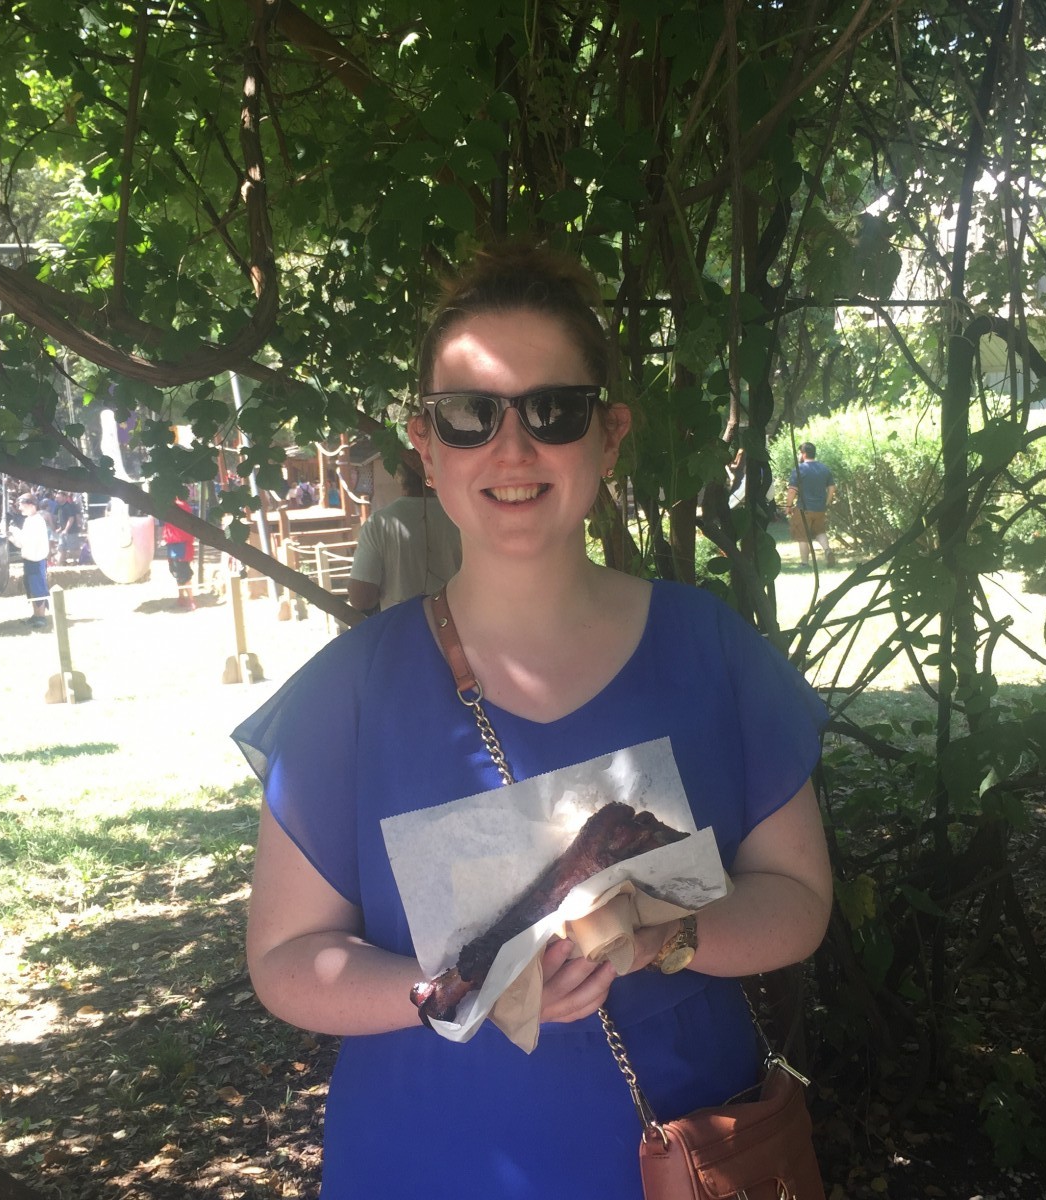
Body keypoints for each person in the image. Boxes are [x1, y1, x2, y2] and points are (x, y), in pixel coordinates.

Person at [234, 243, 831, 1198]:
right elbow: (285, 958)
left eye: (553, 412)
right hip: (425, 1161)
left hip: (678, 1162)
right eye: (470, 417)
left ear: (610, 432)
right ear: (426, 447)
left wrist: (658, 937)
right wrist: (461, 989)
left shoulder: (711, 653)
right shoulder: (348, 693)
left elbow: (797, 901)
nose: (512, 450)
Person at [346, 460, 462, 614]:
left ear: (399, 476)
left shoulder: (379, 523)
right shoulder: (460, 518)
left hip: (401, 628)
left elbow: (361, 598)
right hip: (456, 626)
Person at [784, 442, 837, 567]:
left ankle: (804, 563)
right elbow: (832, 488)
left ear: (804, 454)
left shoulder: (799, 469)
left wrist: (788, 506)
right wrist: (826, 503)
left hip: (804, 509)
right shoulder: (824, 468)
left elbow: (792, 490)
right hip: (820, 509)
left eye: (799, 453)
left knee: (802, 536)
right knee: (820, 532)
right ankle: (827, 551)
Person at [9, 493, 51, 628]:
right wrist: (12, 535)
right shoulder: (29, 520)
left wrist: (14, 531)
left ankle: (41, 617)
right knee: (31, 588)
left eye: (21, 504)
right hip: (29, 559)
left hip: (36, 559)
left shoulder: (37, 520)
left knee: (38, 588)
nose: (19, 508)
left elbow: (25, 541)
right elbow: (22, 543)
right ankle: (36, 615)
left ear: (31, 504)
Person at [162, 498, 197, 610]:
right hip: (172, 544)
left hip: (182, 545)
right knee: (176, 572)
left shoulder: (181, 506)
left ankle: (191, 600)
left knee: (184, 574)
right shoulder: (169, 506)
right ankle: (181, 597)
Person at [53, 490, 82, 565]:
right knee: (61, 548)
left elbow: (71, 519)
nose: (57, 498)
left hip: (71, 531)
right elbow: (63, 520)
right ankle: (60, 564)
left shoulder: (69, 506)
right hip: (63, 531)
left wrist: (66, 529)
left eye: (59, 497)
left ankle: (80, 561)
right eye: (56, 496)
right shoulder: (59, 507)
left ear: (64, 497)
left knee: (74, 549)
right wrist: (60, 529)